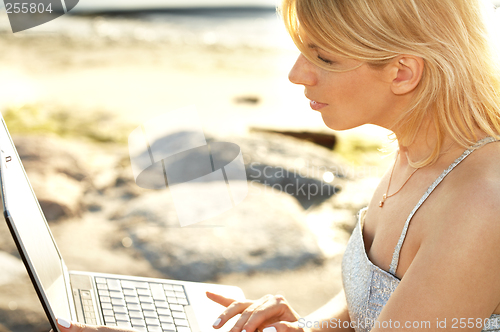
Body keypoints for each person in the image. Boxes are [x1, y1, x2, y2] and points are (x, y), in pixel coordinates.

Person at [53, 0, 500, 331]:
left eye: (324, 57)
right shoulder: (416, 154)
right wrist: (307, 328)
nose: (296, 74)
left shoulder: (479, 202)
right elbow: (372, 301)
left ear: (403, 72)